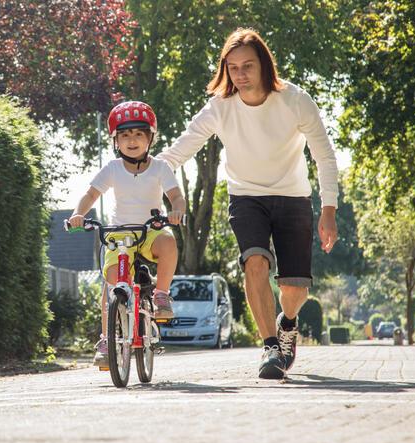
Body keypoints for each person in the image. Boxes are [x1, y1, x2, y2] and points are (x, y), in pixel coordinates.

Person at [156, 28, 339, 379]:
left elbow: (325, 156)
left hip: (293, 196)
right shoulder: (220, 107)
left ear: (264, 65)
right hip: (246, 197)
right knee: (254, 262)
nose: (240, 74)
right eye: (233, 67)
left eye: (247, 66)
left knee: (294, 289)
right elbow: (179, 150)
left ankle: (287, 323)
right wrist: (142, 173)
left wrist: (328, 209)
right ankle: (270, 346)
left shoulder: (295, 100)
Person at [68, 101, 186, 369]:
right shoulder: (112, 168)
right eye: (125, 135)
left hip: (150, 231)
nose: (132, 140)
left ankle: (161, 295)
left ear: (150, 138)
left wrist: (177, 210)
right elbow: (91, 194)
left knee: (169, 242)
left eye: (138, 134)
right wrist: (78, 213)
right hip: (120, 235)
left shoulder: (160, 168)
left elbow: (176, 196)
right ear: (115, 141)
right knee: (111, 283)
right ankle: (107, 340)